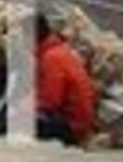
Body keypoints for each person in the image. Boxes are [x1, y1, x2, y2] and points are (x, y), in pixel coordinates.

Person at [30, 13, 99, 145]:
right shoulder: (57, 49)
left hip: (71, 125)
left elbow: (50, 102)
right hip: (76, 120)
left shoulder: (51, 58)